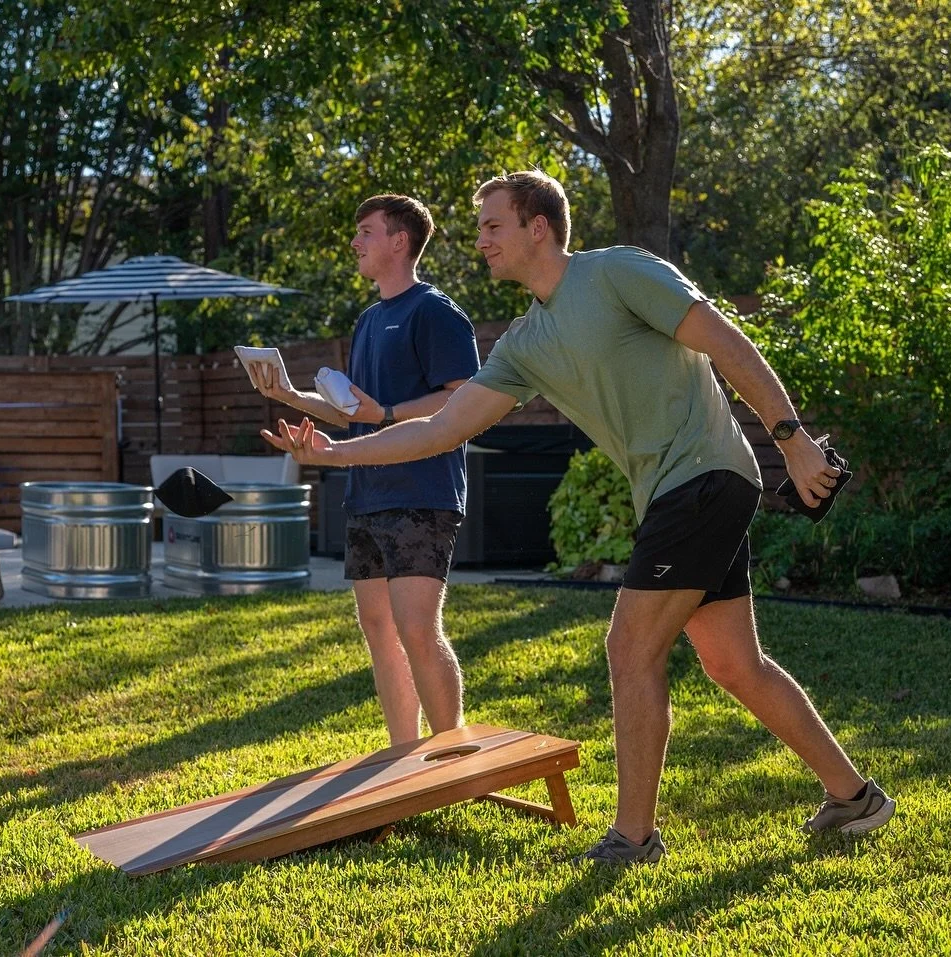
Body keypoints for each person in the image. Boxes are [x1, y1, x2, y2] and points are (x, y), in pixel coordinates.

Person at [262, 171, 895, 863]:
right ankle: (854, 796)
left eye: (492, 226)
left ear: (539, 226)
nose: (480, 241)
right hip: (672, 491)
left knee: (630, 649)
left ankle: (632, 838)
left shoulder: (620, 273)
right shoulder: (526, 341)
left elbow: (724, 339)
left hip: (706, 474)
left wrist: (793, 438)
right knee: (734, 663)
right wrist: (337, 453)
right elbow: (442, 428)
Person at [246, 194, 480, 746]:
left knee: (418, 629)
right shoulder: (370, 319)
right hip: (367, 490)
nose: (355, 242)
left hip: (423, 490)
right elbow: (354, 412)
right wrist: (289, 394)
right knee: (378, 629)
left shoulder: (436, 312)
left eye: (366, 232)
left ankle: (452, 759)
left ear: (399, 242)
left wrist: (390, 414)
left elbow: (465, 396)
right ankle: (403, 755)